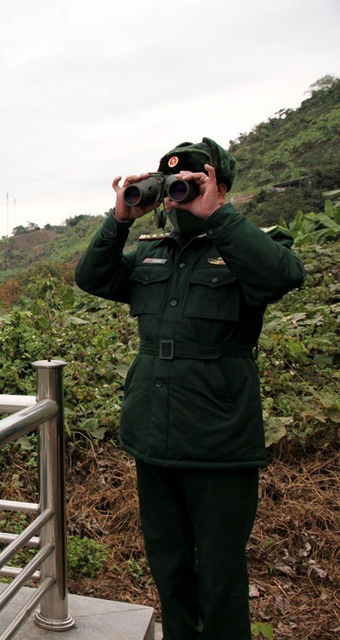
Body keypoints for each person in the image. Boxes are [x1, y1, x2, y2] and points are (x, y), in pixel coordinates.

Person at [75, 138, 305, 639]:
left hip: (218, 441)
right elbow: (92, 277)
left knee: (221, 573)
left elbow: (283, 276)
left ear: (220, 187)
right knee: (169, 564)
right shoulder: (152, 253)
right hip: (153, 434)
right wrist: (119, 220)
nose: (179, 196)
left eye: (192, 184)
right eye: (172, 186)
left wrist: (218, 216)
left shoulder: (249, 246)